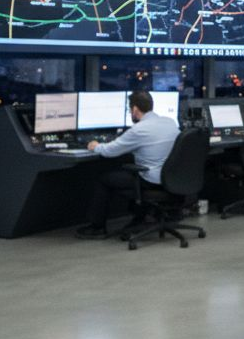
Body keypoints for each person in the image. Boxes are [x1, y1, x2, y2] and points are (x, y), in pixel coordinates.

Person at [75, 91, 180, 239]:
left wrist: (95, 146)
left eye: (129, 109)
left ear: (135, 109)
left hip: (151, 180)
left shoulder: (138, 130)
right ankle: (140, 218)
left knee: (104, 179)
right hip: (171, 178)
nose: (130, 112)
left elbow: (110, 151)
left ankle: (97, 227)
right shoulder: (170, 122)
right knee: (131, 170)